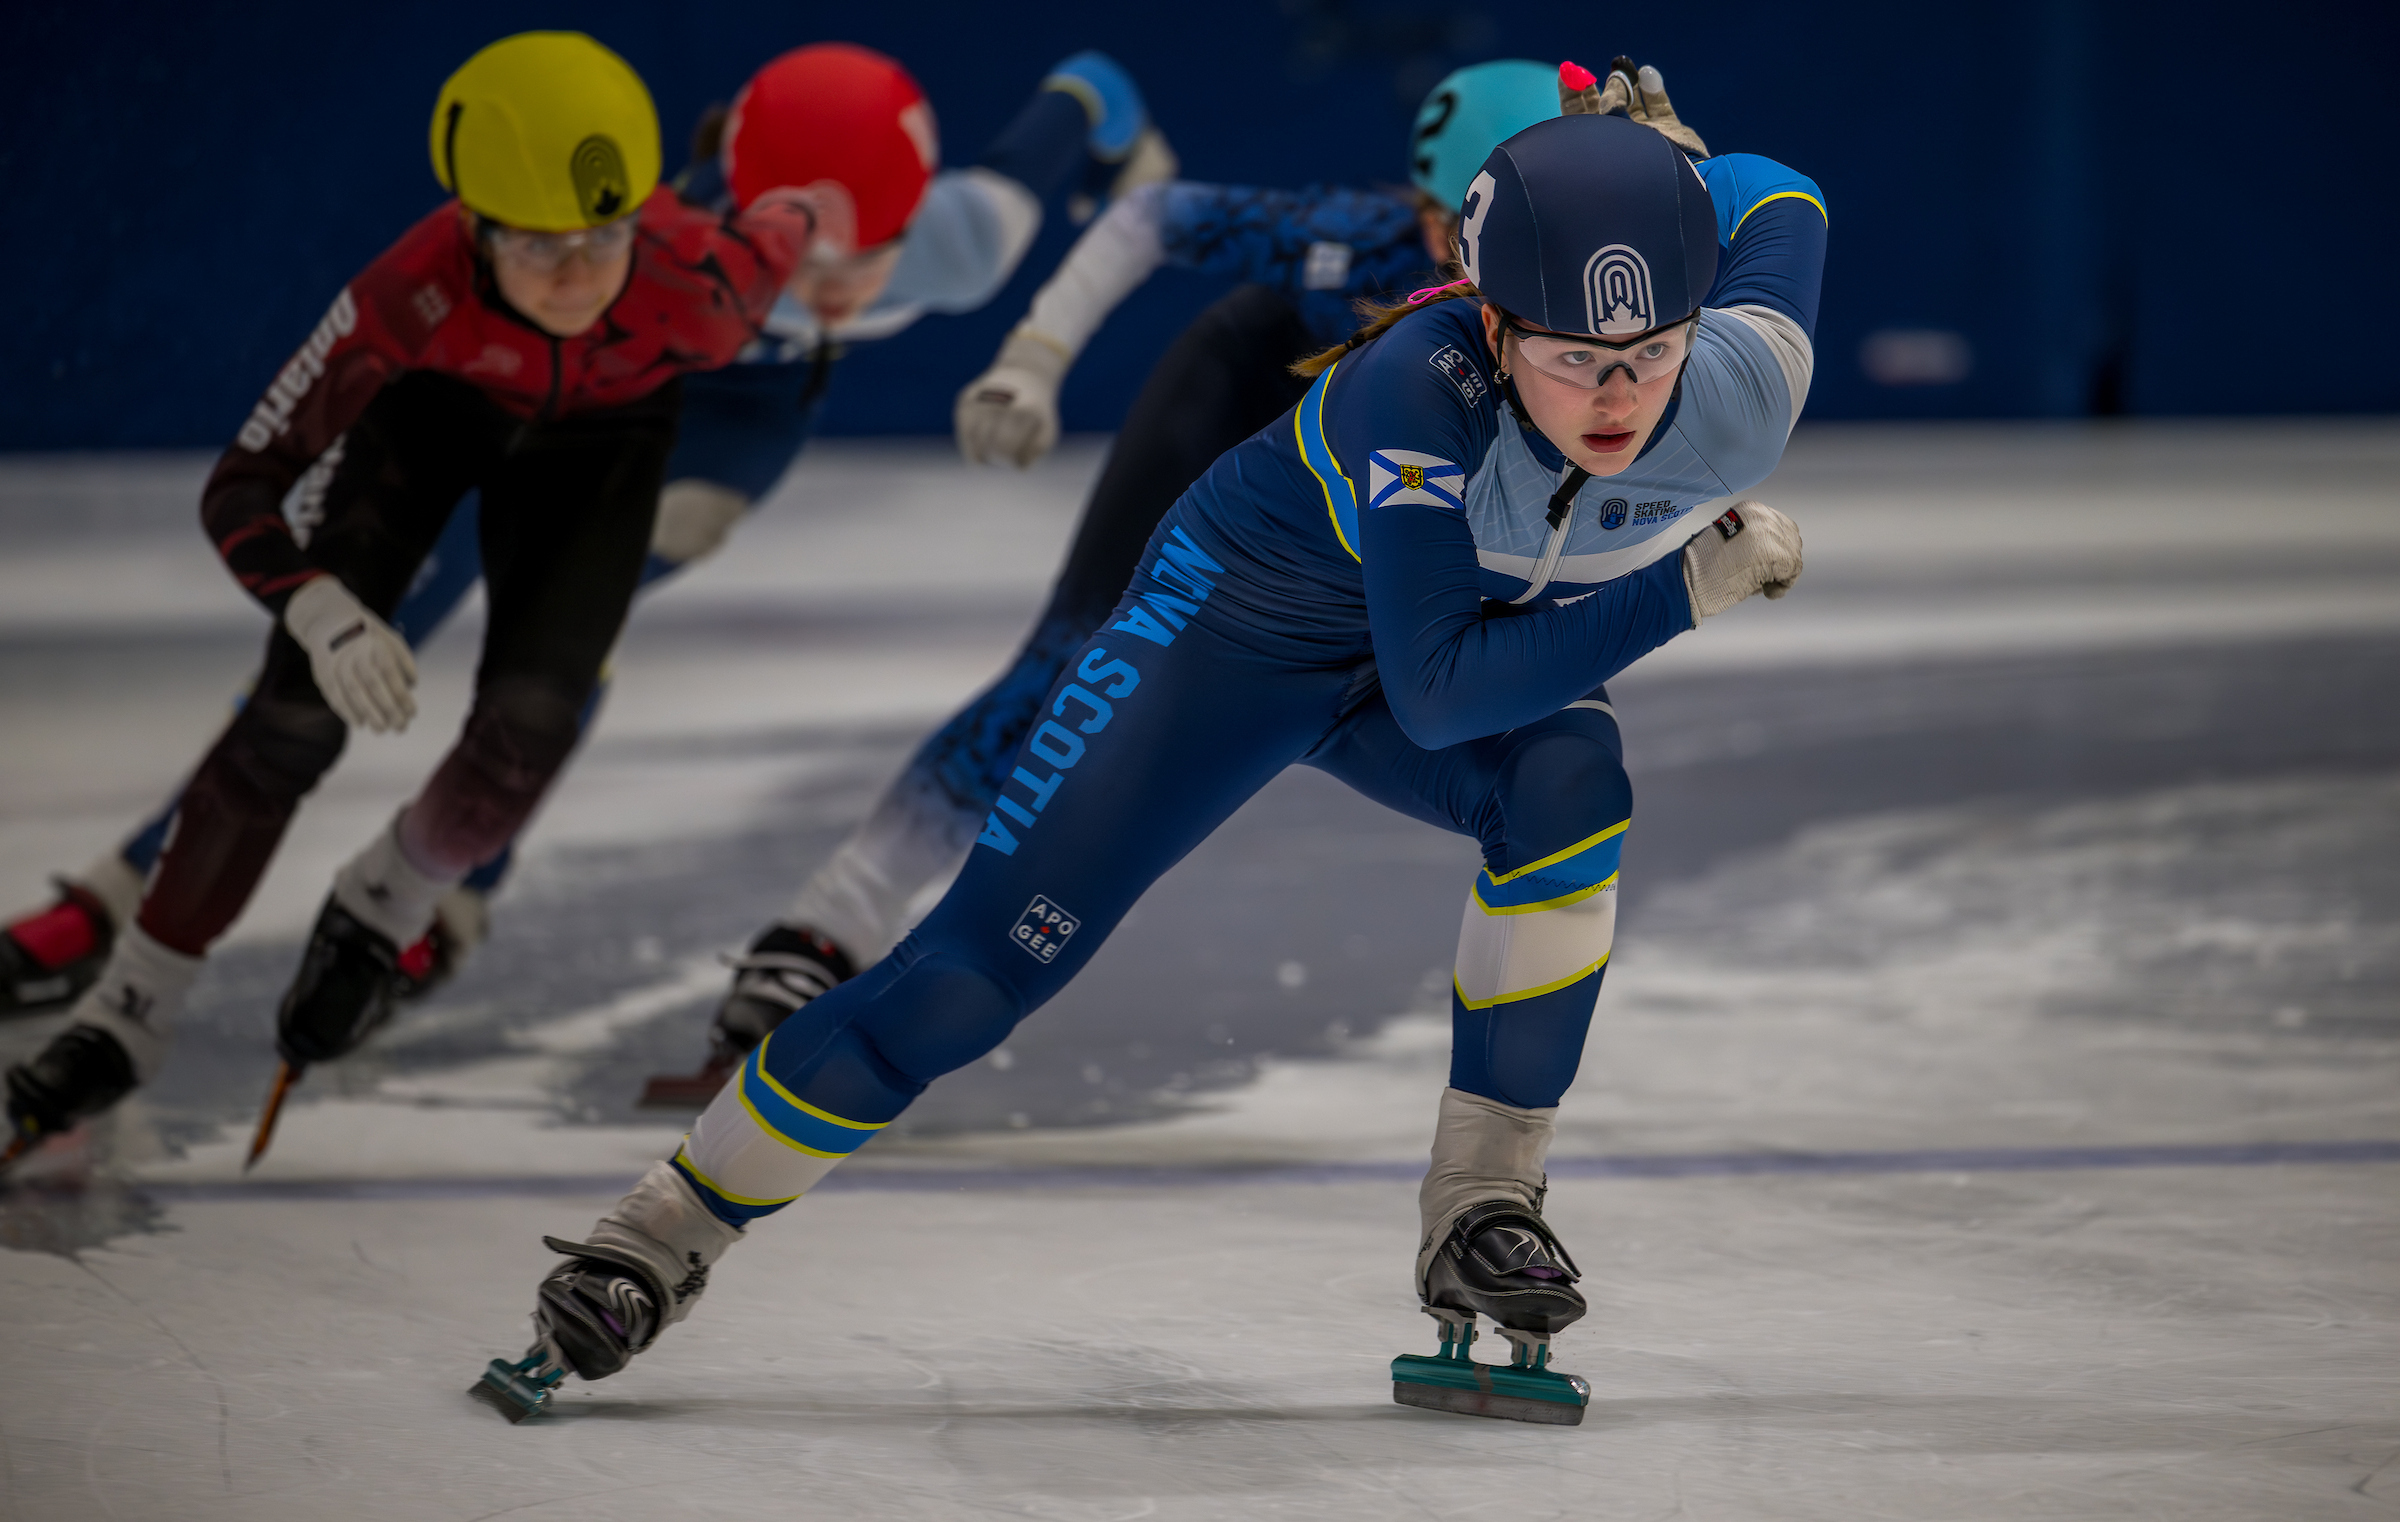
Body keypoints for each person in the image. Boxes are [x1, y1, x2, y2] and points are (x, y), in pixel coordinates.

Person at [476, 61, 1826, 1423]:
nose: (1617, 397)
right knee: (972, 977)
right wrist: (1676, 590)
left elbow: (1783, 195)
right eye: (1570, 357)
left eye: (1651, 354)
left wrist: (1684, 176)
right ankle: (658, 1237)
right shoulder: (1417, 387)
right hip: (1233, 637)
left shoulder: (1743, 382)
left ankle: (1484, 1199)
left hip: (1427, 640)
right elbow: (1436, 692)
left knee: (1572, 784)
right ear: (1488, 316)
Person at [0, 46, 1169, 1018]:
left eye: (867, 263)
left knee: (566, 628)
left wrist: (1129, 162)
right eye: (799, 256)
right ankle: (124, 890)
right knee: (380, 609)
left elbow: (1090, 82)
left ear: (916, 229)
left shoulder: (965, 240)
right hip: (587, 380)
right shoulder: (666, 238)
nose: (826, 290)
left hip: (729, 424)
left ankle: (451, 890)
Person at [644, 58, 1567, 1101]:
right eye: (1459, 231)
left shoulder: (1601, 295)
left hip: (1374, 485)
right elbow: (1148, 220)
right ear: (1424, 211)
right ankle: (831, 921)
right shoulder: (1358, 237)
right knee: (1071, 667)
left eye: (1527, 236)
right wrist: (1034, 357)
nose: (1489, 267)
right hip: (1244, 415)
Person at [0, 31, 851, 1162]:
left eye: (605, 237)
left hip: (607, 438)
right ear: (473, 228)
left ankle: (392, 901)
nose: (579, 276)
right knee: (288, 722)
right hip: (432, 417)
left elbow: (791, 222)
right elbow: (242, 484)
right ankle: (132, 1007)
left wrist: (810, 204)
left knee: (533, 724)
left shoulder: (703, 285)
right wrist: (319, 606)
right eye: (541, 245)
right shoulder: (405, 294)